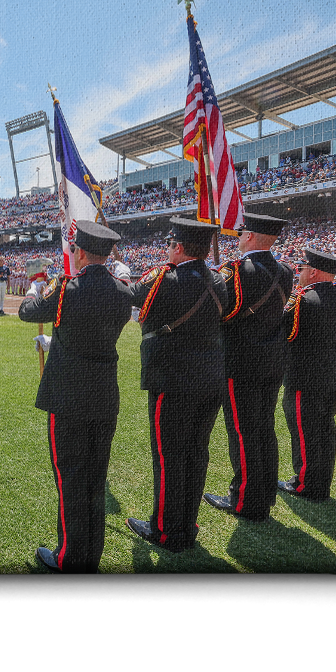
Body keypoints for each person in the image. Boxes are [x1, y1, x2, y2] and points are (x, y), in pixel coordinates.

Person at [18, 221, 131, 574]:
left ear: (79, 252)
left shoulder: (67, 289)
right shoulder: (124, 292)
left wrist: (36, 289)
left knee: (70, 478)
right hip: (103, 395)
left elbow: (28, 312)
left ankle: (69, 556)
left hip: (68, 395)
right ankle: (90, 556)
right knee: (96, 480)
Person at [125, 216, 228, 553]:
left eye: (170, 245)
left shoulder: (163, 279)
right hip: (211, 378)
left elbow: (136, 299)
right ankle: (187, 523)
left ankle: (167, 530)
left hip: (172, 378)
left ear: (180, 247)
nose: (167, 250)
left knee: (169, 457)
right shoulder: (220, 281)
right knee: (197, 453)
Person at [203, 213, 293, 522]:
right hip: (272, 360)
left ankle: (244, 499)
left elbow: (222, 312)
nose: (238, 238)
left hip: (241, 362)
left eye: (242, 234)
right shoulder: (286, 271)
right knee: (264, 427)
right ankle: (265, 493)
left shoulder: (239, 271)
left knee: (242, 432)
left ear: (251, 237)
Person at [278, 247, 336, 501]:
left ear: (314, 271)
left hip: (306, 379)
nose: (299, 273)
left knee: (305, 432)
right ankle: (321, 483)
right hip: (335, 376)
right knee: (325, 430)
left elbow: (284, 334)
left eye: (302, 269)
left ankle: (306, 484)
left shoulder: (302, 300)